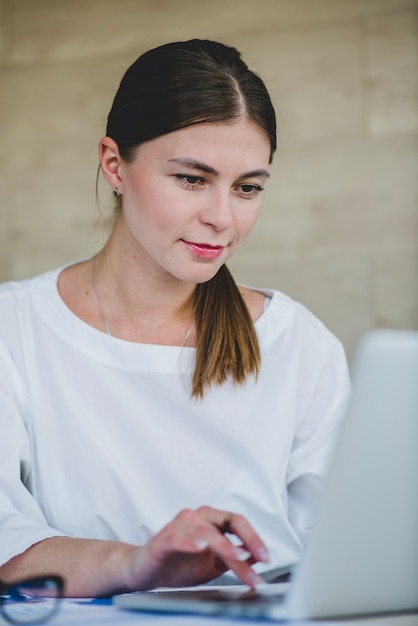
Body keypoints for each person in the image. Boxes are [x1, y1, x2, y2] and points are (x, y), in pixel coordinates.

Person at [0, 39, 350, 597]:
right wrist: (137, 563)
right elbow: (5, 541)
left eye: (247, 188)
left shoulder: (296, 343)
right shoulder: (14, 329)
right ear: (114, 165)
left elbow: (344, 548)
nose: (221, 217)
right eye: (191, 178)